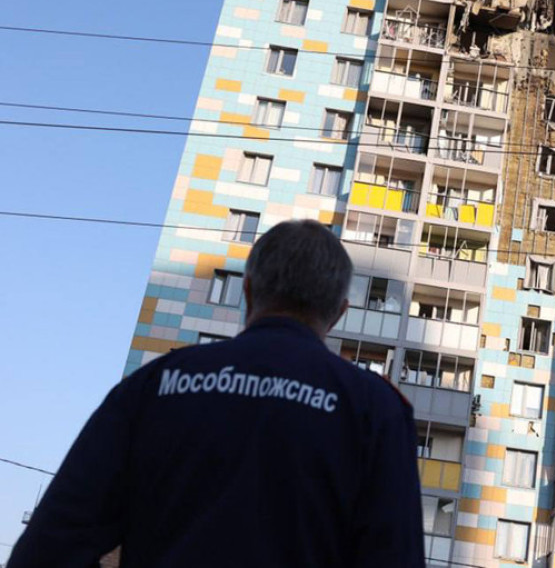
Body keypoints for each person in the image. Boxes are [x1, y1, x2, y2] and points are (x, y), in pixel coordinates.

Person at [8, 220, 425, 568]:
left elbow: (48, 548)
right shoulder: (377, 411)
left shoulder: (153, 387)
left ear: (247, 291)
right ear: (338, 312)